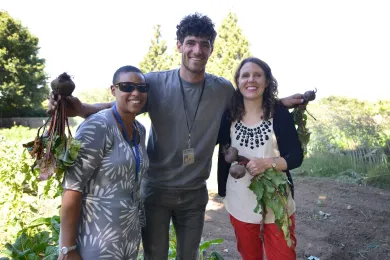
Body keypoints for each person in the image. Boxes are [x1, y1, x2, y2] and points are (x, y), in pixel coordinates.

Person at [48, 13, 305, 260]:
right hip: (156, 192)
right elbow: (122, 101)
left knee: (188, 256)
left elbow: (251, 102)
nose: (197, 50)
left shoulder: (222, 89)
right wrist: (82, 109)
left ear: (211, 50)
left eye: (204, 45)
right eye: (190, 43)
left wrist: (280, 103)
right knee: (155, 256)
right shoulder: (155, 83)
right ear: (179, 45)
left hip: (194, 194)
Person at [58, 65, 149, 260]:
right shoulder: (96, 127)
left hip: (128, 237)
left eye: (142, 88)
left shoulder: (140, 130)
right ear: (113, 90)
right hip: (96, 239)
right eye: (127, 86)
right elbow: (72, 188)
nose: (136, 93)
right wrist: (67, 248)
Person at [217, 57, 303, 260]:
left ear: (266, 81)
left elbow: (296, 156)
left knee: (284, 256)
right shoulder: (229, 116)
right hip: (240, 202)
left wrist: (268, 163)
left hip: (277, 202)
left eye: (258, 75)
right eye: (245, 75)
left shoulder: (279, 114)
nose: (251, 80)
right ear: (238, 82)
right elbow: (210, 140)